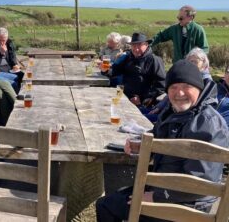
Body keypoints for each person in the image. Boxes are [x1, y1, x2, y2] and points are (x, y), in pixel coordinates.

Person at [96, 60, 229, 222]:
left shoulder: (208, 124)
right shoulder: (174, 110)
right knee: (109, 202)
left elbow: (200, 184)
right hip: (168, 190)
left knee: (107, 206)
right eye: (173, 87)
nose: (179, 93)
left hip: (189, 205)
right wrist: (141, 145)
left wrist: (157, 196)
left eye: (186, 86)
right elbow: (158, 135)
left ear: (199, 89)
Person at [146, 47, 217, 122]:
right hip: (169, 113)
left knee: (145, 118)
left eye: (195, 62)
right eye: (190, 61)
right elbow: (168, 96)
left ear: (204, 63)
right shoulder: (186, 76)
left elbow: (202, 106)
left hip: (185, 119)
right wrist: (159, 107)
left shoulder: (207, 82)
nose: (192, 64)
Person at [105, 32, 166, 108]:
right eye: (133, 45)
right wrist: (105, 70)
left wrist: (143, 98)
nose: (136, 49)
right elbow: (114, 72)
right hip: (124, 98)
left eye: (139, 45)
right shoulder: (128, 57)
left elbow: (161, 85)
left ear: (146, 45)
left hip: (143, 104)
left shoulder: (154, 60)